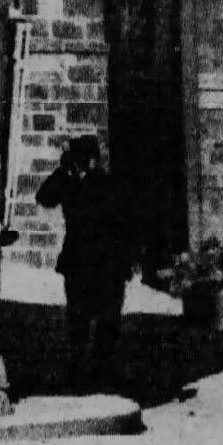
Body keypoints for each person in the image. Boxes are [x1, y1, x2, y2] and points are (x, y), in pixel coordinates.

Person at [38, 135, 135, 383]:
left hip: (83, 260)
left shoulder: (71, 185)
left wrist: (63, 170)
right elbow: (126, 226)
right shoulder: (111, 184)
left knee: (80, 317)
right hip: (105, 262)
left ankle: (81, 367)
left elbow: (44, 196)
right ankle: (99, 368)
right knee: (104, 317)